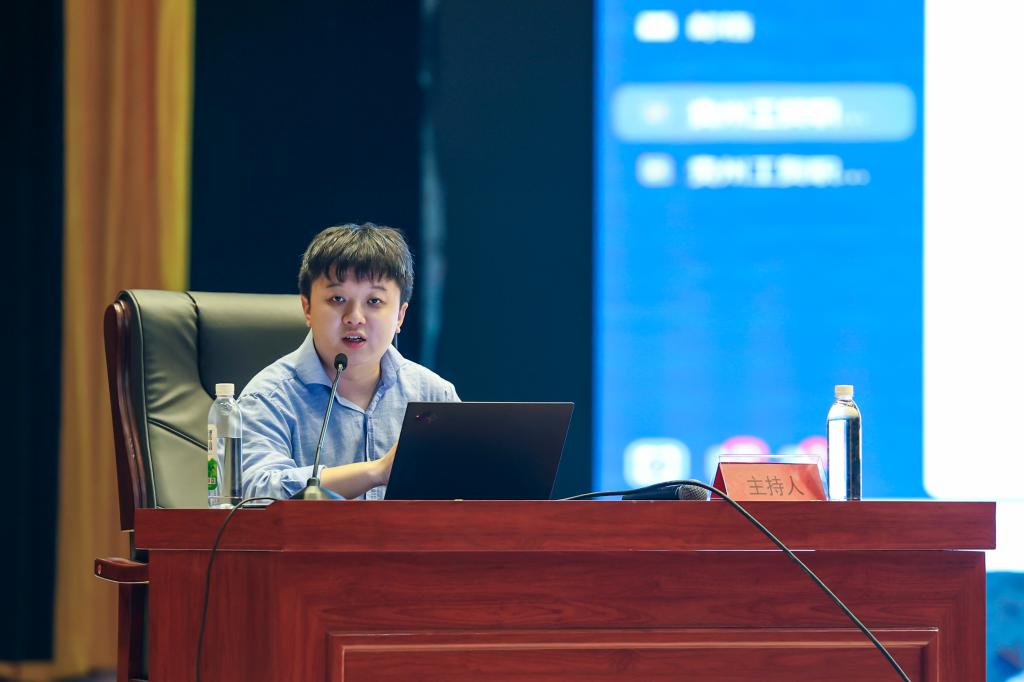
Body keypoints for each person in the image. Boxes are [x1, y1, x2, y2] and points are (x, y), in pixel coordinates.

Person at [239, 223, 458, 499]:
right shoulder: (268, 398)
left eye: (374, 301)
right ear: (307, 308)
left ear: (400, 316)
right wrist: (376, 472)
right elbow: (254, 492)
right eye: (338, 298)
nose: (354, 317)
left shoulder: (434, 395)